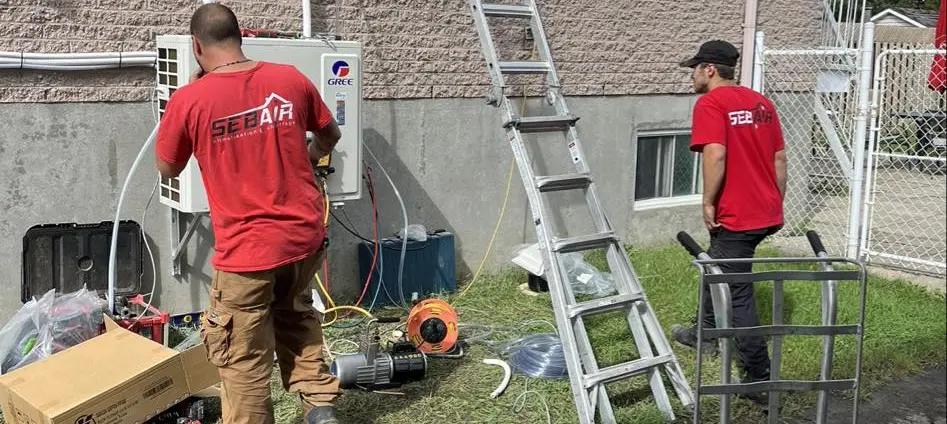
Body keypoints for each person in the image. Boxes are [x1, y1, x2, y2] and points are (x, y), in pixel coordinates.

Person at [154, 4, 343, 424]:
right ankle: (321, 410)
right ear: (241, 38)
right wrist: (311, 158)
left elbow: (167, 166)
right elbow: (331, 133)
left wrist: (186, 97)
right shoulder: (290, 78)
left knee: (242, 357)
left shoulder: (190, 99)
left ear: (196, 45)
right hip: (303, 239)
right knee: (296, 319)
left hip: (247, 253)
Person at [670, 40, 787, 405]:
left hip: (737, 215)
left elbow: (716, 154)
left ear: (709, 70)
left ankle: (758, 379)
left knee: (737, 294)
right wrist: (773, 201)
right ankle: (704, 333)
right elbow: (780, 159)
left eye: (694, 68)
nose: (691, 75)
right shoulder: (761, 103)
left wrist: (707, 200)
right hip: (765, 211)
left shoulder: (711, 103)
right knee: (716, 263)